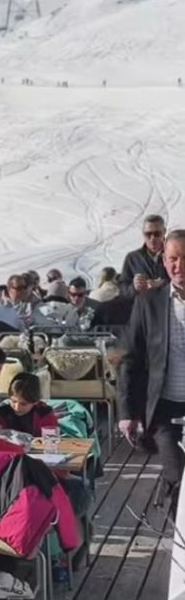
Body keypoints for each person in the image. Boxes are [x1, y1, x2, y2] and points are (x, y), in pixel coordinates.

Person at [118, 228, 185, 504]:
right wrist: (126, 411)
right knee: (177, 474)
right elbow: (130, 357)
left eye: (184, 258)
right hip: (165, 408)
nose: (178, 266)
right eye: (173, 258)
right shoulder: (149, 302)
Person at [0, 373, 60, 437]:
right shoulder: (2, 414)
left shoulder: (45, 414)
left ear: (35, 402)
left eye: (23, 404)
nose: (17, 408)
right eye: (13, 401)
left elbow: (51, 440)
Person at [119, 215, 169, 296]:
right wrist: (134, 287)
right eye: (148, 234)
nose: (152, 238)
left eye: (157, 234)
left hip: (169, 307)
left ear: (164, 232)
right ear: (143, 233)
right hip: (142, 307)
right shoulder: (132, 258)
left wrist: (163, 284)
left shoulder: (174, 256)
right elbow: (122, 289)